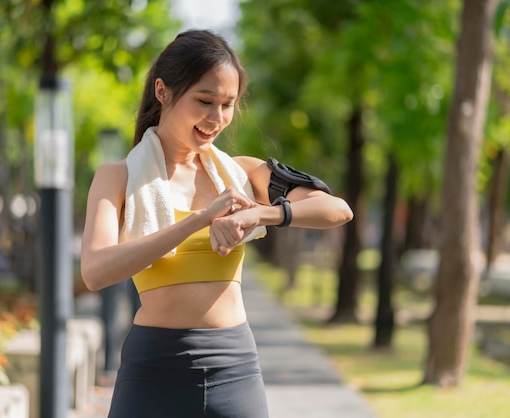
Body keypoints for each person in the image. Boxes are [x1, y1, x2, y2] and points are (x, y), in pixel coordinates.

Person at [80, 29, 353, 418]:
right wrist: (198, 221)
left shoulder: (241, 175)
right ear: (163, 91)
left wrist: (260, 213)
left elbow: (337, 209)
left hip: (235, 369)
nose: (217, 118)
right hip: (153, 370)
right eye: (205, 101)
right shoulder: (118, 178)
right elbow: (95, 270)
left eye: (227, 104)